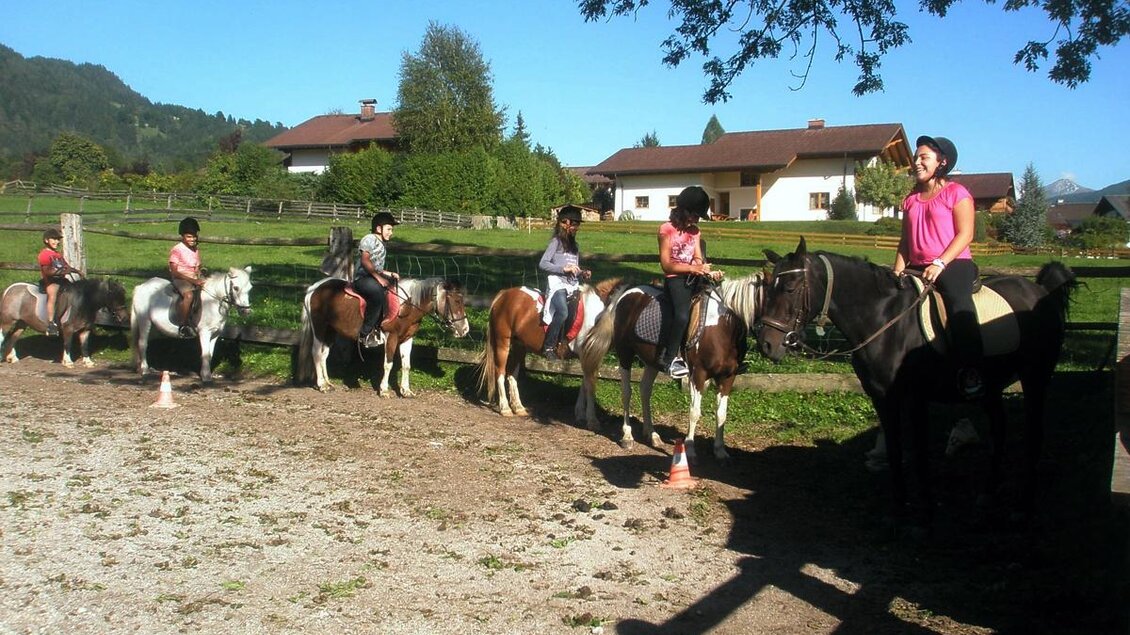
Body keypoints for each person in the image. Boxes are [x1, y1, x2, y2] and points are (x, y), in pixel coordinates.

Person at [894, 135, 983, 398]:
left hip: (953, 264)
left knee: (958, 305)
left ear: (941, 163)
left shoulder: (957, 193)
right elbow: (905, 241)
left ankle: (972, 371)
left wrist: (940, 263)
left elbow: (965, 234)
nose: (917, 162)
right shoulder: (911, 199)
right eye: (916, 157)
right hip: (916, 266)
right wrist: (896, 270)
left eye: (924, 157)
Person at [657, 186, 722, 378]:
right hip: (675, 279)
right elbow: (667, 265)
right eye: (695, 214)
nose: (697, 219)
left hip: (694, 276)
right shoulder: (665, 229)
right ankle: (669, 359)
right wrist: (694, 268)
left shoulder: (695, 231)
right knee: (683, 316)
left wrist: (707, 270)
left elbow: (698, 257)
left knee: (720, 304)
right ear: (684, 211)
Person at [539, 205, 591, 360]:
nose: (576, 228)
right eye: (574, 224)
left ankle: (565, 343)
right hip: (557, 285)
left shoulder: (575, 246)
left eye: (577, 224)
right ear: (564, 223)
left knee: (580, 312)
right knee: (562, 312)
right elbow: (543, 263)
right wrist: (563, 269)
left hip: (572, 285)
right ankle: (548, 346)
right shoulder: (555, 242)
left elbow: (574, 267)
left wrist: (582, 273)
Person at [355, 211, 401, 348]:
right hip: (362, 278)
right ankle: (365, 332)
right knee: (377, 292)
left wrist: (389, 273)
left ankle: (383, 324)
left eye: (391, 229)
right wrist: (379, 278)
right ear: (378, 229)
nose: (391, 232)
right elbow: (365, 261)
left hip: (373, 275)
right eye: (389, 229)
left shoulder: (382, 244)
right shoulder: (369, 239)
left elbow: (377, 267)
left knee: (394, 287)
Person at [37, 227, 81, 336]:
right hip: (51, 281)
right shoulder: (44, 255)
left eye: (58, 239)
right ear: (46, 240)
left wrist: (76, 271)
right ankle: (51, 323)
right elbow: (47, 271)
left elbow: (66, 266)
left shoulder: (57, 254)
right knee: (53, 295)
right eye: (54, 239)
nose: (57, 241)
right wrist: (61, 271)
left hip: (61, 280)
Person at [169, 217, 204, 338]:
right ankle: (183, 325)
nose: (192, 239)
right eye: (189, 236)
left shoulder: (195, 250)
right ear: (182, 236)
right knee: (189, 295)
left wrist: (200, 274)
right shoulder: (177, 250)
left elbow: (198, 267)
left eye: (194, 236)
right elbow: (175, 272)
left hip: (194, 277)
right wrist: (193, 280)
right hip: (181, 279)